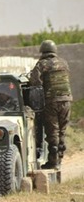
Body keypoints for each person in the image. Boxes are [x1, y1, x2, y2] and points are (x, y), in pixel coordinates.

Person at [29, 40, 72, 170]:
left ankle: (53, 162)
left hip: (51, 101)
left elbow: (34, 82)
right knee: (62, 131)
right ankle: (60, 159)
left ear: (43, 51)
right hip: (67, 101)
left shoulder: (42, 64)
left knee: (53, 132)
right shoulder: (64, 63)